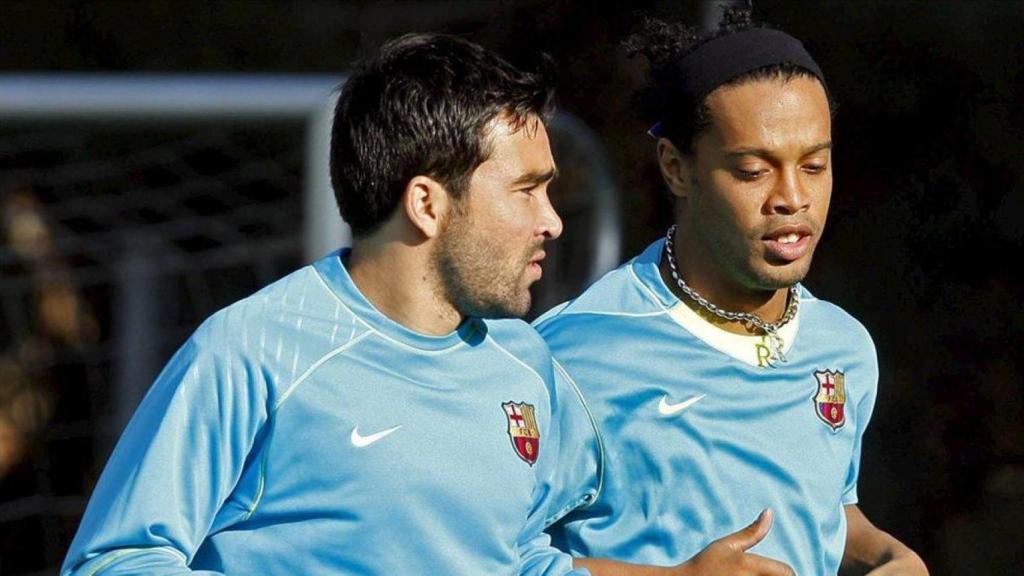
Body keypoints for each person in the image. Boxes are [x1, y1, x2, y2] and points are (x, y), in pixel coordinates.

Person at [62, 32, 590, 575]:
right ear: (427, 204)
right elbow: (113, 563)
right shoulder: (252, 351)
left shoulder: (524, 361)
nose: (551, 221)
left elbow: (520, 559)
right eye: (527, 190)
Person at [536, 9, 929, 576]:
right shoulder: (568, 355)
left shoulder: (844, 346)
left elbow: (825, 510)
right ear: (676, 168)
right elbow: (492, 559)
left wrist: (890, 555)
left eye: (814, 165)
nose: (792, 197)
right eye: (752, 171)